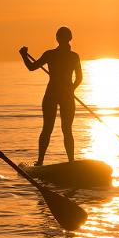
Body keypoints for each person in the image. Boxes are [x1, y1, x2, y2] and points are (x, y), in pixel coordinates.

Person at [19, 27, 82, 165]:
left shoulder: (68, 56)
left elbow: (79, 78)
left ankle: (68, 161)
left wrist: (71, 89)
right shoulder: (57, 55)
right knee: (51, 129)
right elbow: (79, 79)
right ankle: (42, 162)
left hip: (62, 95)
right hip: (55, 95)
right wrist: (24, 55)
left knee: (63, 129)